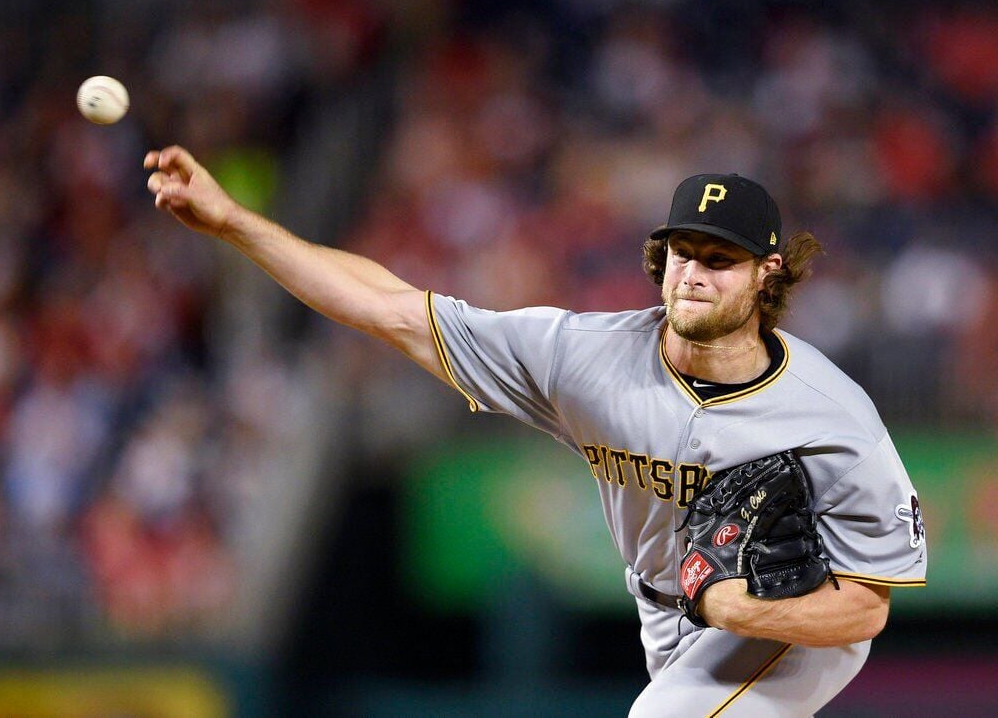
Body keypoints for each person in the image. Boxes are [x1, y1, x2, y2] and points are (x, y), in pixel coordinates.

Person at [145, 147, 927, 716]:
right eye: (682, 251)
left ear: (768, 274)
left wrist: (736, 609)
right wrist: (233, 223)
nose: (694, 271)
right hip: (668, 610)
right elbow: (387, 307)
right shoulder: (585, 357)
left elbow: (864, 608)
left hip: (790, 621)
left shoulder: (831, 414)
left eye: (720, 258)